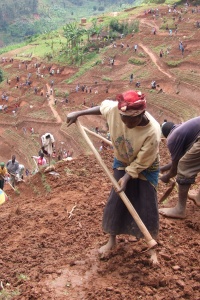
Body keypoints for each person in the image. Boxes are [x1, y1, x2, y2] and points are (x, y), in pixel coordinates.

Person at [67, 90, 161, 262]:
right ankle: (112, 240)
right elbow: (102, 107)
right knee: (116, 199)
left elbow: (141, 162)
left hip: (146, 165)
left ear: (140, 115)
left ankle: (150, 248)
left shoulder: (153, 132)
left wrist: (126, 178)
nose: (124, 123)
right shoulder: (116, 111)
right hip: (122, 159)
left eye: (129, 120)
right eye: (122, 118)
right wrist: (78, 113)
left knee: (147, 202)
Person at [160, 117, 200, 218]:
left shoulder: (172, 138)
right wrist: (162, 169)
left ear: (166, 135)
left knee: (185, 166)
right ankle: (199, 198)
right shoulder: (181, 129)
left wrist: (167, 177)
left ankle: (180, 210)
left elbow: (176, 168)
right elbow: (179, 158)